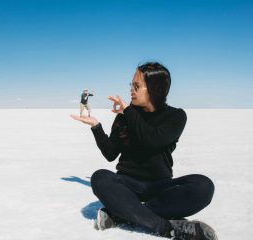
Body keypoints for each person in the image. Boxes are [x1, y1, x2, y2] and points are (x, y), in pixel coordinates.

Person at [70, 62, 217, 240]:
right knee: (100, 177)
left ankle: (123, 213)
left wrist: (128, 112)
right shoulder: (124, 117)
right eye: (131, 85)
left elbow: (152, 140)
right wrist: (96, 126)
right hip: (127, 185)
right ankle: (164, 227)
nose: (131, 89)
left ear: (155, 88)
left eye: (137, 86)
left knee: (204, 186)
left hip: (160, 187)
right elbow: (110, 154)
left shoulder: (176, 116)